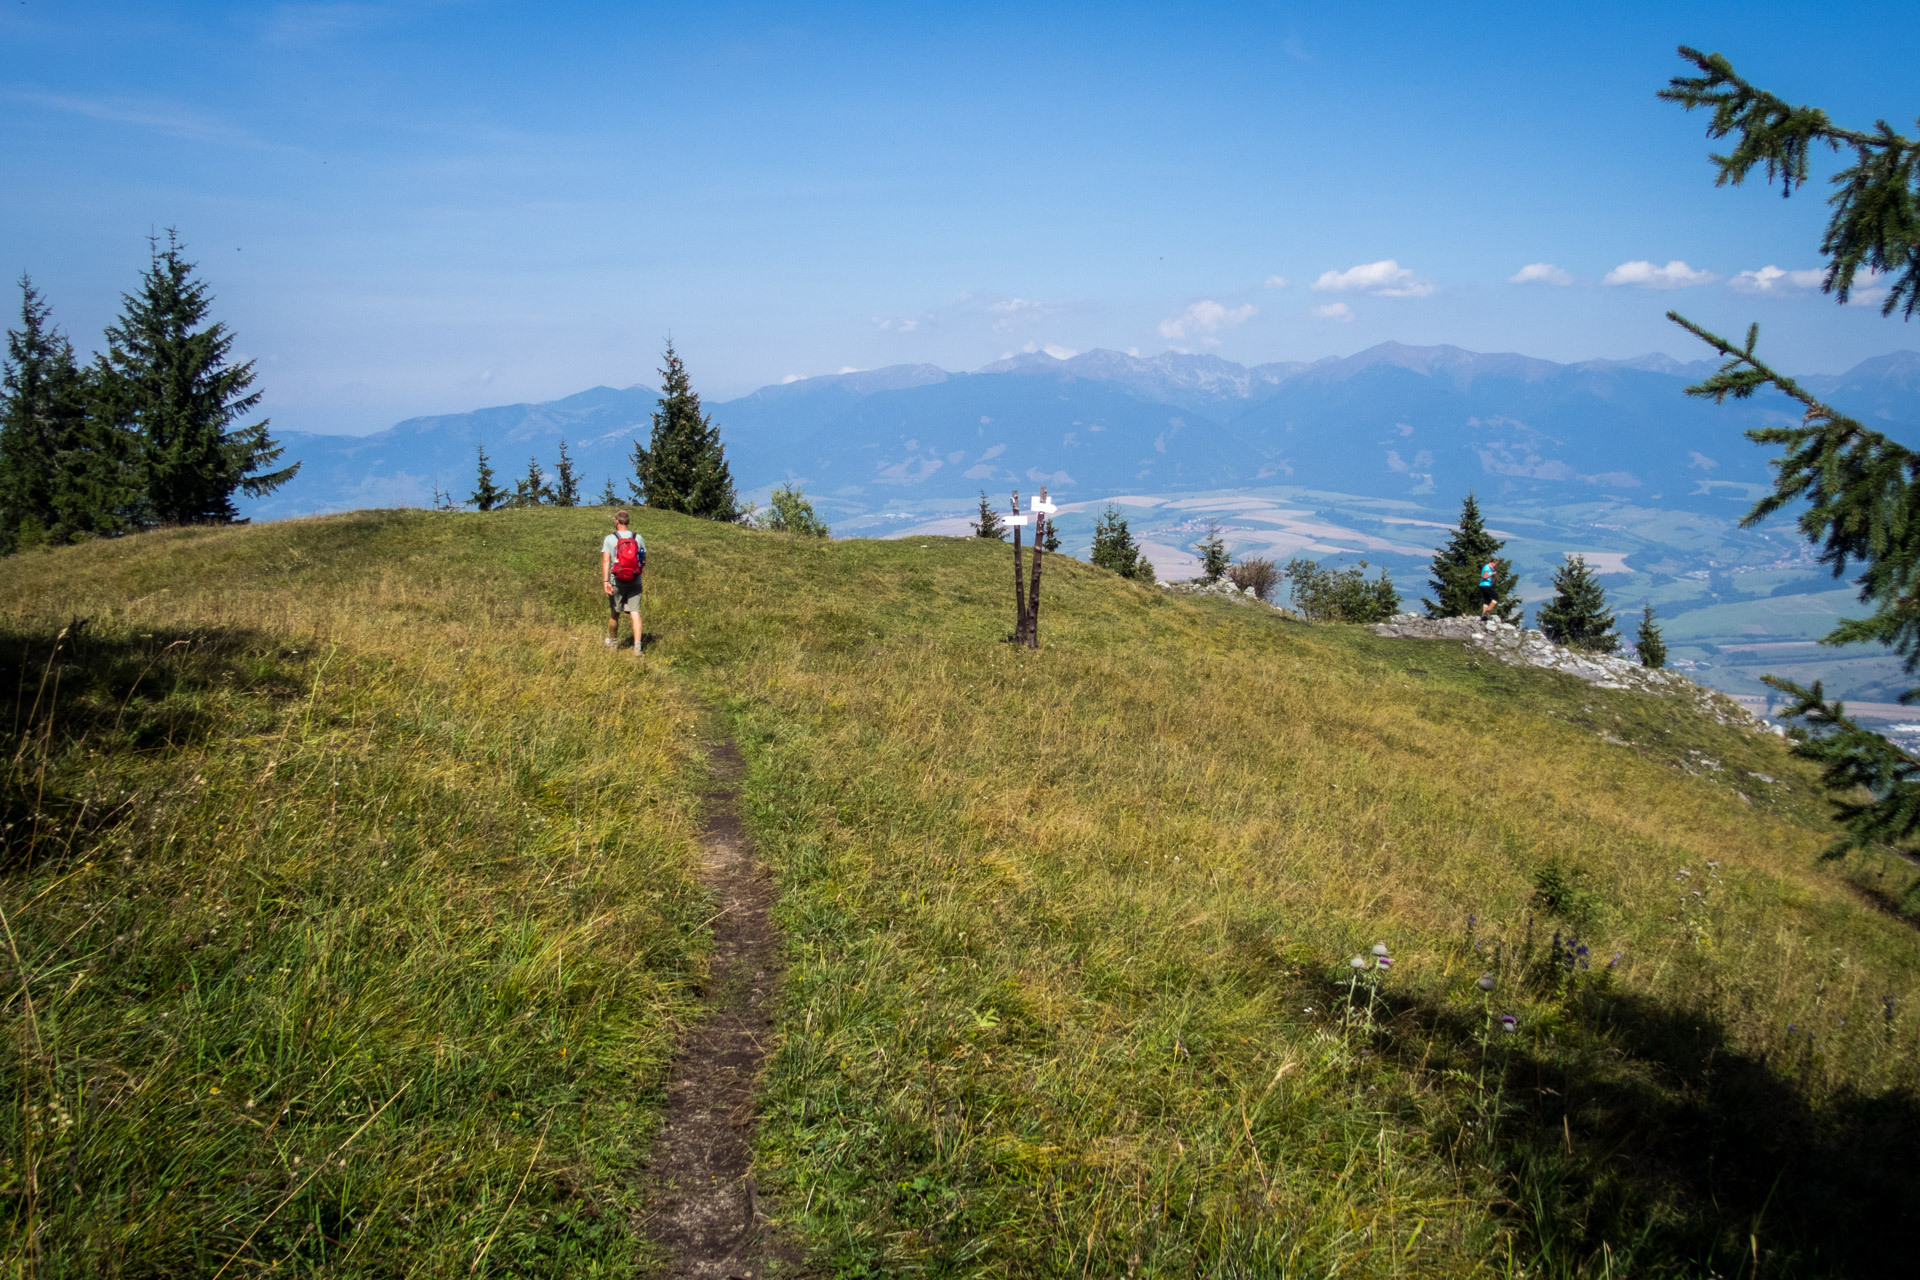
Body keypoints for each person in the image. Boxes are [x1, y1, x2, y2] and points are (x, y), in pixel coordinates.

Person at [602, 510, 646, 652]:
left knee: (615, 613)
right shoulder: (638, 538)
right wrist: (635, 573)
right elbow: (643, 560)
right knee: (635, 612)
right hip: (635, 580)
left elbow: (606, 561)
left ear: (616, 521)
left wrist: (605, 581)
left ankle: (613, 644)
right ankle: (637, 647)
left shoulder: (610, 539)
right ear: (628, 522)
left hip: (617, 581)